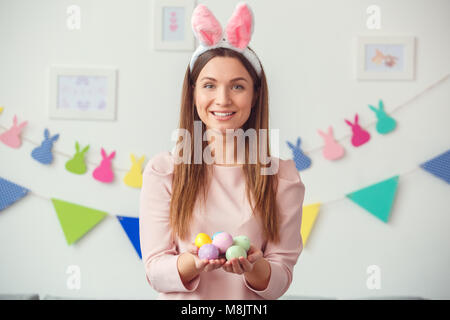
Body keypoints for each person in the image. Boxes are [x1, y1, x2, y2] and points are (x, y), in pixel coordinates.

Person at [139, 2, 305, 300]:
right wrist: (195, 263)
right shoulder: (164, 171)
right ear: (193, 93)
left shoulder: (281, 176)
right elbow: (154, 271)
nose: (223, 99)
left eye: (238, 87)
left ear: (255, 96)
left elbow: (281, 278)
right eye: (209, 85)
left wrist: (253, 266)